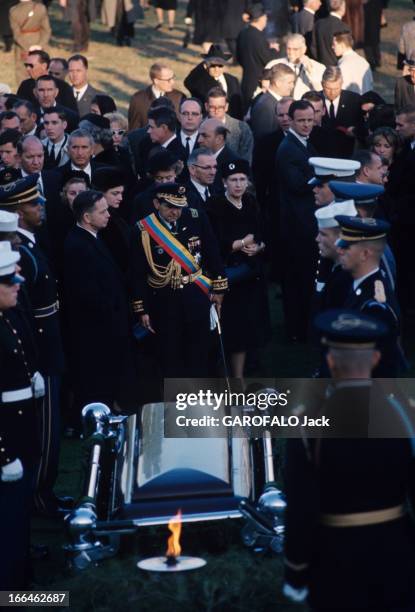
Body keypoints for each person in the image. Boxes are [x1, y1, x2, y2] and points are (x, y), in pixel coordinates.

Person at [283, 309, 415, 611]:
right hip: (396, 556)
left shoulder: (308, 423)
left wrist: (296, 570)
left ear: (330, 362)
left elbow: (302, 506)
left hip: (335, 560)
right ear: (375, 360)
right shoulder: (405, 413)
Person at [0, 176, 66, 517]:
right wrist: (36, 363)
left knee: (49, 431)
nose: (41, 207)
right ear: (17, 213)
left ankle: (44, 492)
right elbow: (23, 316)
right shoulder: (20, 254)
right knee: (44, 432)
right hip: (38, 352)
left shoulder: (30, 245)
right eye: (32, 204)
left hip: (48, 346)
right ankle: (40, 496)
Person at [133, 183, 227, 378]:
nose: (175, 212)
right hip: (164, 300)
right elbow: (136, 271)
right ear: (156, 203)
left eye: (179, 207)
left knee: (199, 353)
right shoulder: (143, 230)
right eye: (170, 207)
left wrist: (218, 289)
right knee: (171, 356)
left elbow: (212, 251)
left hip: (196, 295)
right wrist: (141, 308)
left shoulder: (196, 217)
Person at [64, 190, 138, 415]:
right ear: (87, 217)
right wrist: (112, 314)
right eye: (103, 211)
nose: (108, 214)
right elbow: (87, 293)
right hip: (95, 329)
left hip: (107, 325)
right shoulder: (78, 245)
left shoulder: (93, 238)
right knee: (96, 379)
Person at [0, 241, 41, 589]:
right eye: (7, 281)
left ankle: (21, 581)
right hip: (5, 444)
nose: (17, 284)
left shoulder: (6, 317)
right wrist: (4, 456)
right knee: (7, 525)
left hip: (19, 427)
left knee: (18, 518)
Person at [207, 159, 269, 380]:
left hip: (250, 276)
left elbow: (262, 232)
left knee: (245, 330)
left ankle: (240, 377)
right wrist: (243, 242)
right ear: (224, 182)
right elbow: (215, 243)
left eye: (242, 179)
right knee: (227, 331)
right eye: (233, 180)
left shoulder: (251, 201)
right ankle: (223, 378)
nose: (238, 184)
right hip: (228, 277)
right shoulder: (215, 205)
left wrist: (258, 245)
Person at [335, 215, 401, 377]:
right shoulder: (361, 284)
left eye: (346, 246)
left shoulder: (375, 306)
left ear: (365, 254)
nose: (339, 250)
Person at [276, 99, 317, 341]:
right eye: (301, 120)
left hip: (303, 224)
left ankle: (301, 327)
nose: (306, 125)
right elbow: (298, 185)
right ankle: (297, 330)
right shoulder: (288, 149)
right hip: (296, 227)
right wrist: (322, 175)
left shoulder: (301, 144)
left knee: (303, 279)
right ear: (290, 120)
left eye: (310, 120)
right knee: (297, 280)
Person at [236, 3, 279, 113]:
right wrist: (274, 50)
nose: (266, 19)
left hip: (246, 78)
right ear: (261, 18)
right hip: (258, 81)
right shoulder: (258, 37)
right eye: (265, 17)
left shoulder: (243, 33)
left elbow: (238, 57)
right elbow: (268, 59)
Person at [184, 44, 243, 120]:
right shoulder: (200, 81)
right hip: (208, 123)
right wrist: (204, 63)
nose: (216, 69)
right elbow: (188, 82)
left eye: (220, 65)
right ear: (207, 65)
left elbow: (239, 106)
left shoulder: (233, 80)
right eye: (213, 65)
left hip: (230, 124)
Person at [321, 66, 364, 157]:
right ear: (322, 84)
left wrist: (355, 131)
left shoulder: (354, 100)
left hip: (347, 155)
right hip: (320, 155)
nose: (332, 93)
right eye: (328, 88)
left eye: (336, 89)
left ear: (341, 84)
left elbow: (363, 126)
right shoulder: (314, 99)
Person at [267, 34, 326, 100]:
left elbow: (321, 90)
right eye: (289, 49)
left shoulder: (318, 67)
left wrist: (310, 71)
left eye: (295, 49)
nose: (291, 52)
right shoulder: (274, 64)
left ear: (304, 49)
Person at [128, 62, 185, 130]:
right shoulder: (138, 99)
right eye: (168, 80)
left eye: (173, 77)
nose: (172, 82)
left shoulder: (178, 97)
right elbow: (134, 129)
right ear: (156, 81)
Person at [205, 87, 253, 163]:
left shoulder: (242, 129)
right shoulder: (198, 127)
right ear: (206, 107)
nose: (216, 111)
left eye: (220, 107)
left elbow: (245, 163)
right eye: (212, 107)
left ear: (226, 107)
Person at [9, 0, 51, 84]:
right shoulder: (41, 8)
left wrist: (28, 48)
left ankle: (23, 95)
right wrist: (40, 45)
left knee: (22, 71)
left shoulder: (13, 11)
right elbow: (47, 30)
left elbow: (16, 34)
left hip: (22, 46)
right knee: (43, 70)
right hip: (39, 40)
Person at [250, 64, 296, 140]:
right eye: (289, 82)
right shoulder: (265, 106)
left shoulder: (272, 101)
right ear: (278, 83)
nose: (292, 86)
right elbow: (264, 139)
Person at [310, 0, 349, 67]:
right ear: (342, 7)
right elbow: (346, 51)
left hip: (321, 66)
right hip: (338, 68)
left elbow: (313, 47)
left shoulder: (318, 24)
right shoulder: (344, 27)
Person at [332, 31, 373, 95]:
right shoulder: (364, 62)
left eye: (334, 44)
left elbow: (341, 90)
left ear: (342, 45)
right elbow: (370, 84)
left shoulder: (343, 65)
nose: (332, 47)